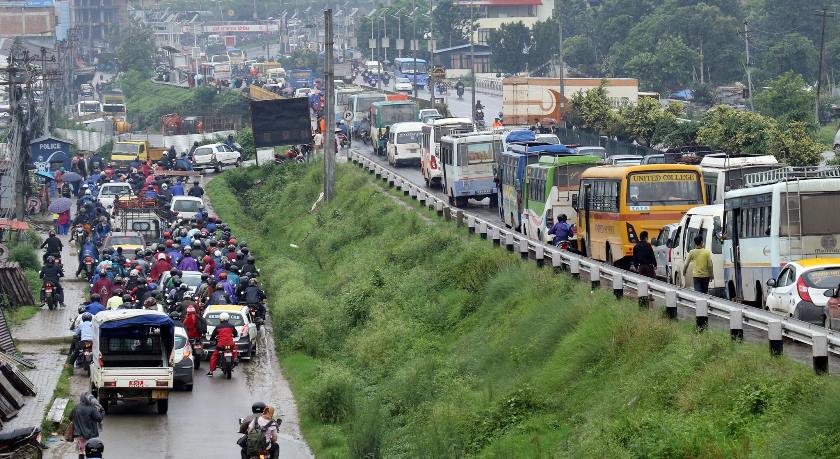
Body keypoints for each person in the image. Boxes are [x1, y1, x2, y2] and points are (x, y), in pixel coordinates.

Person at [70, 392, 104, 459]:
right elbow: (99, 418)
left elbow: (70, 418)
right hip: (91, 435)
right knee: (94, 451)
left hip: (79, 435)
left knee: (81, 451)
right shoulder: (92, 408)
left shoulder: (76, 408)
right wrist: (102, 411)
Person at [207, 312, 239, 376]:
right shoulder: (231, 326)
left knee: (214, 356)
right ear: (228, 319)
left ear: (220, 319)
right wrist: (234, 335)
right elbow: (236, 334)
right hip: (231, 344)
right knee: (235, 350)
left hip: (221, 345)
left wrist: (211, 340)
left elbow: (213, 336)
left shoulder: (218, 327)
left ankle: (211, 371)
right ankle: (235, 358)